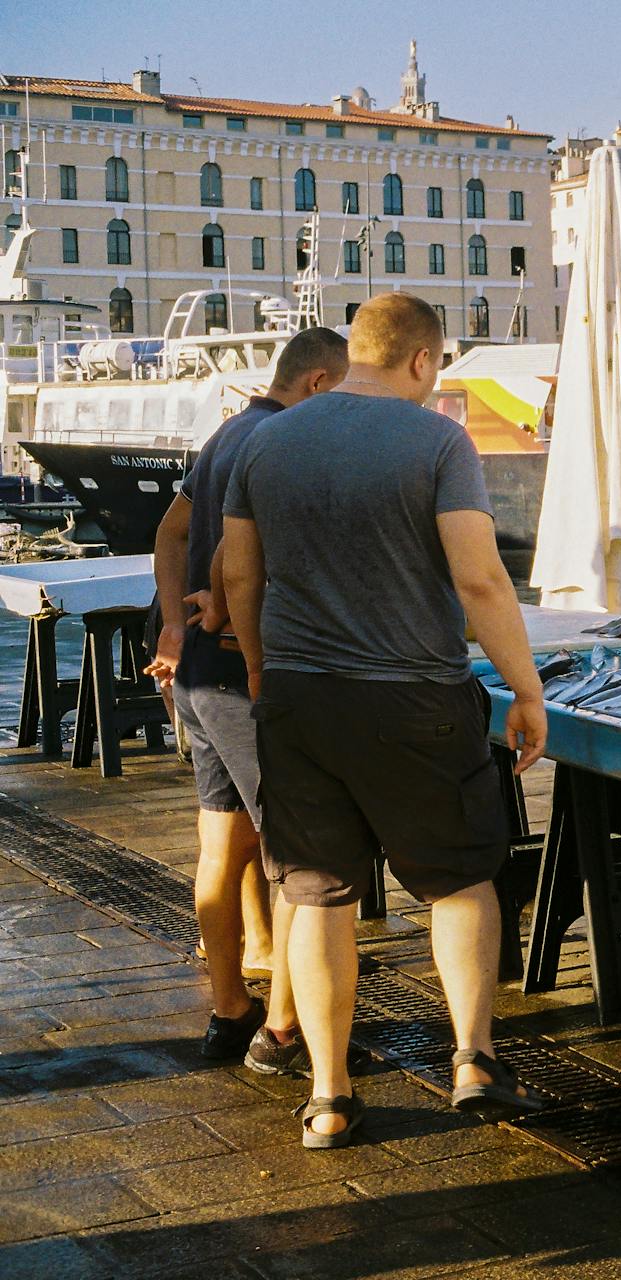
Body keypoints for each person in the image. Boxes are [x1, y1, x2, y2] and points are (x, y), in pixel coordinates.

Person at [221, 293, 549, 1148]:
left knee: (317, 892)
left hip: (299, 695)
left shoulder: (266, 439)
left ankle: (328, 1097)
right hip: (415, 694)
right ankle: (472, 1059)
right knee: (457, 880)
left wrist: (260, 668)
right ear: (422, 360)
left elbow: (240, 576)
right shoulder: (437, 439)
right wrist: (527, 690)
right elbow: (480, 581)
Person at [148, 328, 348, 1064]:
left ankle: (229, 1011)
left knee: (222, 844)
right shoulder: (286, 441)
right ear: (320, 383)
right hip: (239, 670)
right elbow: (239, 564)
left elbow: (169, 534)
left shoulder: (228, 432)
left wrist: (173, 625)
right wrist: (259, 664)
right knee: (303, 855)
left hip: (200, 671)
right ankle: (285, 1032)